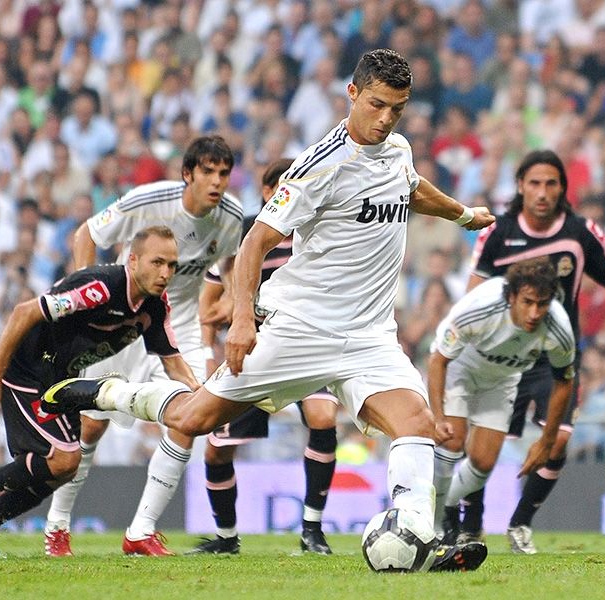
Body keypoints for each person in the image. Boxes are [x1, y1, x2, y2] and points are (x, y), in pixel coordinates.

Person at [42, 49, 495, 571]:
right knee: (193, 418)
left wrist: (462, 215)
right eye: (377, 105)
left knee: (415, 423)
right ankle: (108, 391)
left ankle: (419, 536)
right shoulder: (318, 167)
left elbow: (412, 189)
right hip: (300, 329)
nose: (386, 118)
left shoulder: (396, 150)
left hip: (371, 336)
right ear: (352, 94)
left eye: (397, 108)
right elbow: (255, 242)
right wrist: (240, 319)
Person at [43, 136, 242, 556]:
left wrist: (230, 297)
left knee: (190, 418)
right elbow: (86, 233)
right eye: (208, 171)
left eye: (223, 173)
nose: (217, 182)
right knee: (92, 425)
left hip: (178, 326)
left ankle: (141, 532)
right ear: (188, 174)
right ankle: (57, 528)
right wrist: (87, 293)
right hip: (122, 321)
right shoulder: (148, 200)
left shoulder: (230, 217)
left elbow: (231, 263)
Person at [460, 149, 605, 553]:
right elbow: (474, 293)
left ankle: (520, 524)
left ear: (562, 188)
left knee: (557, 443)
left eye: (550, 183)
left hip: (558, 359)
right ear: (520, 185)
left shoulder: (579, 232)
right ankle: (470, 527)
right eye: (534, 183)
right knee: (483, 452)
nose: (542, 192)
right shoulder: (498, 232)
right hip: (503, 359)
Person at [0, 227, 195, 557]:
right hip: (26, 368)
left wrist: (205, 398)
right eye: (157, 262)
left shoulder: (155, 307)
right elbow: (23, 312)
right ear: (133, 260)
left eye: (172, 265)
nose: (165, 273)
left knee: (64, 468)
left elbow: (173, 362)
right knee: (62, 459)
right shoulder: (100, 289)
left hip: (60, 377)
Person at [187, 158, 339, 556]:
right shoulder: (246, 234)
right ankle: (226, 539)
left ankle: (312, 529)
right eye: (277, 186)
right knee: (217, 447)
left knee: (323, 417)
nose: (285, 193)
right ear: (267, 192)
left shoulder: (320, 230)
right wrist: (208, 352)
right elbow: (209, 306)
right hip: (255, 351)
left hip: (308, 345)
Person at [431, 257, 575, 546]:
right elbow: (438, 360)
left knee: (483, 463)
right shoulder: (480, 309)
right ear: (511, 297)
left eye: (543, 303)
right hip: (460, 367)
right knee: (452, 442)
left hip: (502, 379)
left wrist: (546, 442)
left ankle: (444, 505)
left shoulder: (558, 328)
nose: (535, 312)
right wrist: (437, 417)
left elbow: (564, 381)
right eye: (528, 302)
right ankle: (435, 528)